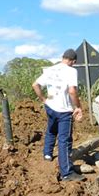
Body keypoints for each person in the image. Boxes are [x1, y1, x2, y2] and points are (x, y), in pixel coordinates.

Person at [32, 49, 85, 182]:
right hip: (63, 111)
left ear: (63, 57)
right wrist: (78, 107)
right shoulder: (71, 70)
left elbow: (35, 85)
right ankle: (66, 173)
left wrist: (43, 99)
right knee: (64, 140)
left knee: (51, 130)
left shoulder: (50, 69)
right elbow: (72, 91)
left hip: (50, 106)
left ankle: (47, 154)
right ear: (73, 61)